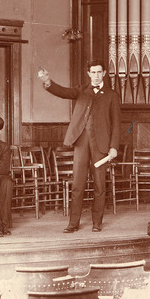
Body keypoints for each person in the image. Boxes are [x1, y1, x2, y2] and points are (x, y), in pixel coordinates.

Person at [38, 59, 121, 233]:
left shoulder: (112, 95)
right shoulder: (81, 90)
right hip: (81, 142)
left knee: (100, 185)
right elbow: (62, 91)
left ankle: (97, 223)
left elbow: (116, 123)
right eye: (93, 72)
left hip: (102, 145)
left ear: (104, 73)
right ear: (88, 73)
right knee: (78, 184)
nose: (97, 75)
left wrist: (114, 146)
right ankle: (73, 223)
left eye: (100, 72)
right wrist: (47, 81)